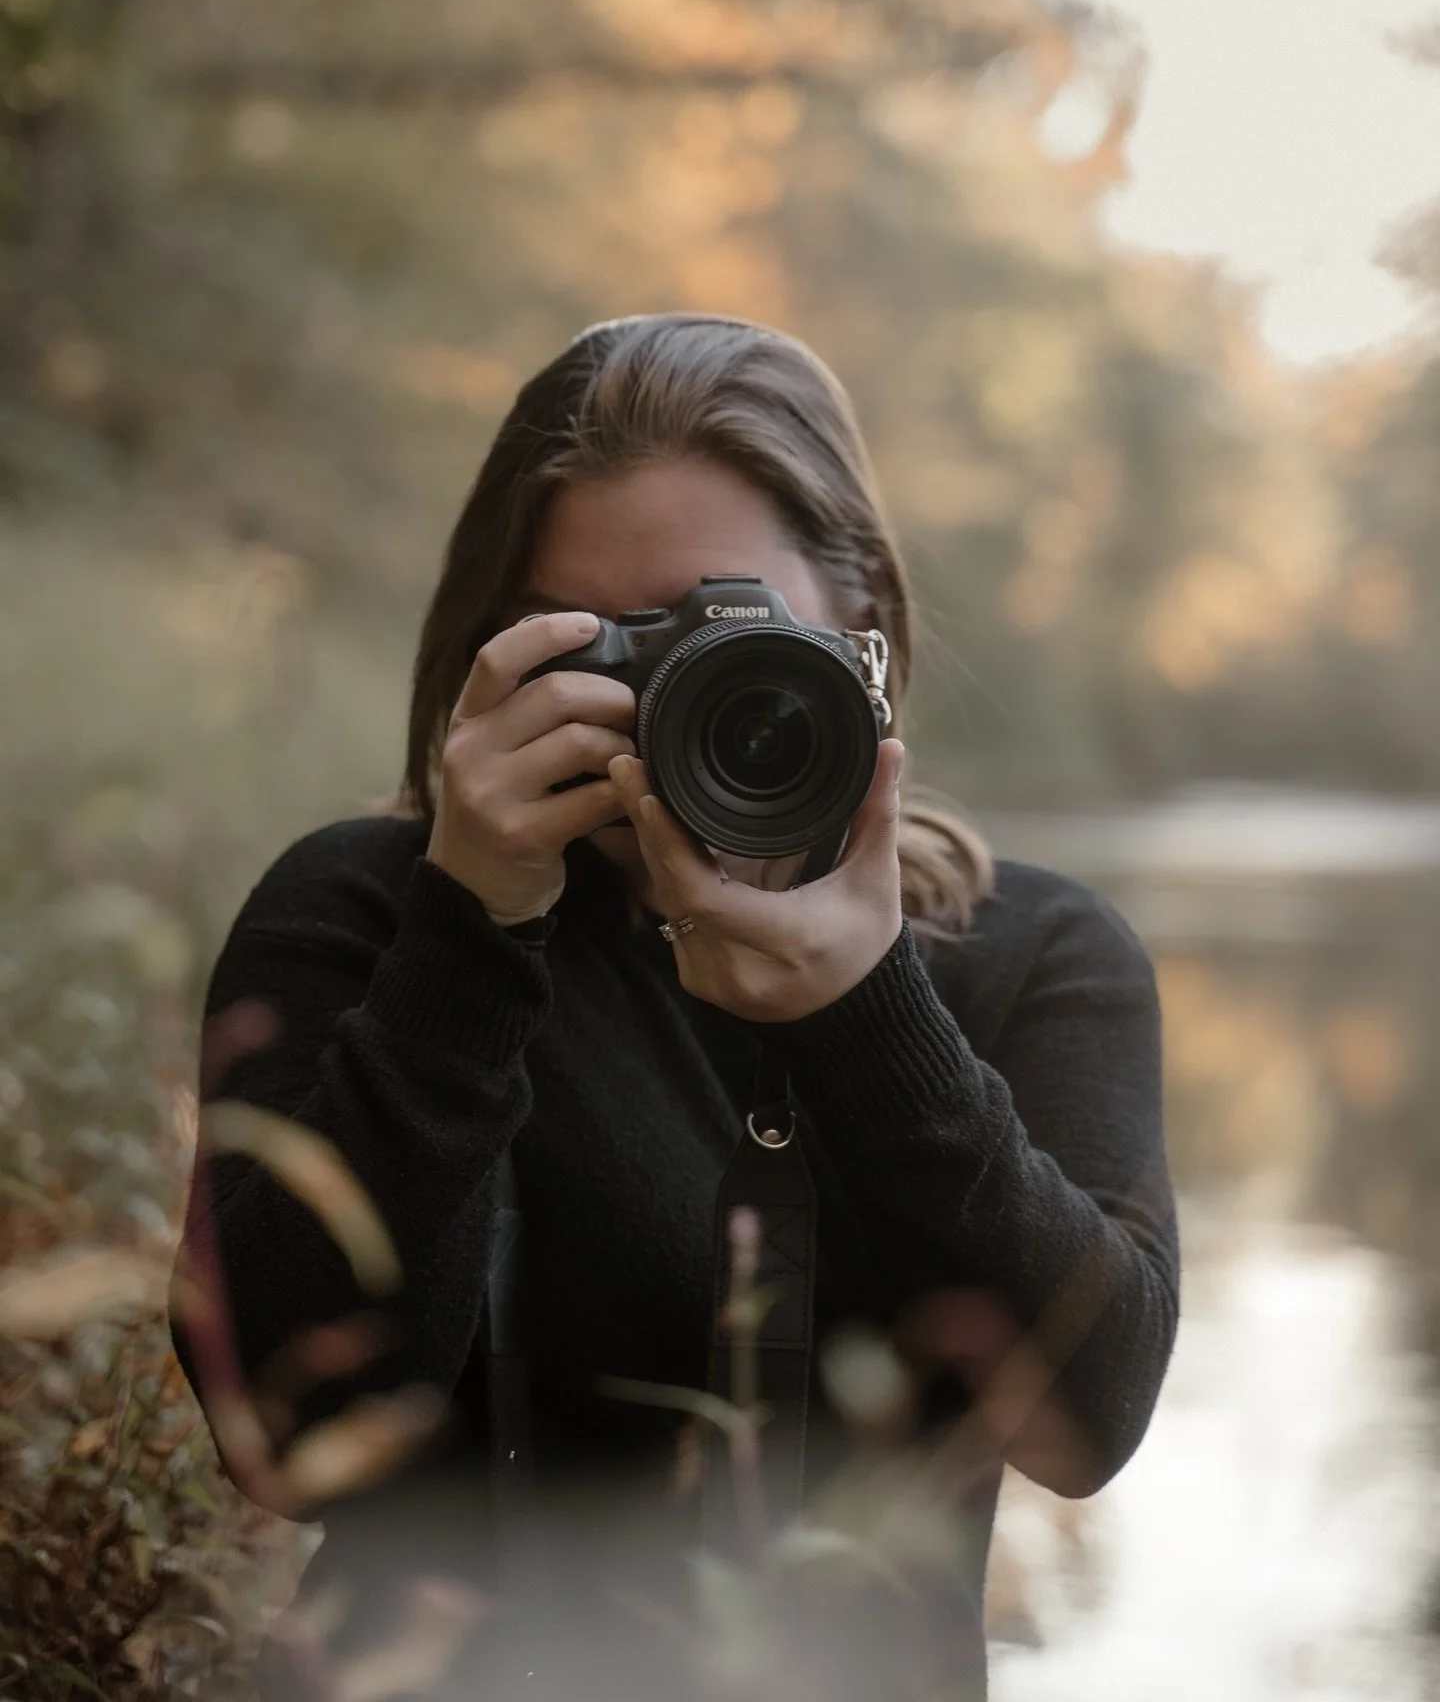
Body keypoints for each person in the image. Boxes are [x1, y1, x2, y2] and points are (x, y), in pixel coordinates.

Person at [171, 312, 1179, 1701]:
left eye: (732, 625)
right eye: (611, 643)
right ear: (494, 652)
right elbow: (278, 1438)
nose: (676, 700)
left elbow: (1086, 1425)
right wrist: (470, 936)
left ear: (862, 626)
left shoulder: (1033, 955)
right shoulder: (363, 914)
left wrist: (869, 1015)